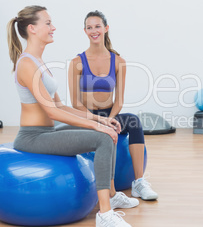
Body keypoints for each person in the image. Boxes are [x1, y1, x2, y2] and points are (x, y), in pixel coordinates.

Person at [7, 6, 133, 227]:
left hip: (47, 132)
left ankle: (111, 196)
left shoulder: (38, 62)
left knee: (108, 130)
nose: (53, 27)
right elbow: (52, 112)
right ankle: (104, 215)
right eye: (48, 23)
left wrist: (101, 120)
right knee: (102, 138)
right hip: (32, 137)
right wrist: (96, 128)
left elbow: (60, 106)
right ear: (32, 28)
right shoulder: (27, 64)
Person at [68, 10, 158, 201]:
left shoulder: (118, 62)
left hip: (109, 114)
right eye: (89, 27)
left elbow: (119, 101)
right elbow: (75, 102)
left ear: (106, 29)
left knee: (133, 122)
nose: (94, 31)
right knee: (102, 134)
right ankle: (110, 192)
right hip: (86, 116)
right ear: (85, 31)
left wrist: (109, 119)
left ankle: (139, 182)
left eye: (97, 26)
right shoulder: (77, 62)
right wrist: (97, 120)